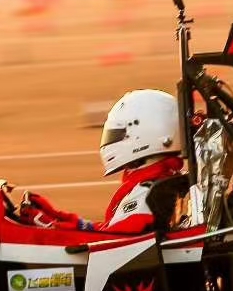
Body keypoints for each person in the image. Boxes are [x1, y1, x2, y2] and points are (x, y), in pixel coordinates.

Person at [17, 88, 186, 235]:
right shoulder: (157, 181)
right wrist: (59, 217)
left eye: (117, 134)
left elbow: (112, 241)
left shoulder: (148, 193)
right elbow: (109, 230)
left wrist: (47, 224)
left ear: (145, 135)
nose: (110, 141)